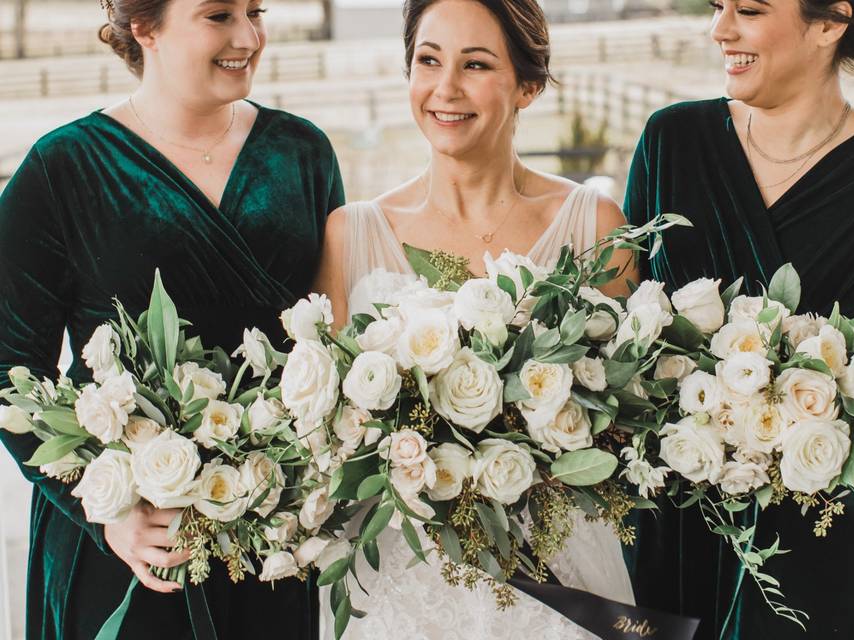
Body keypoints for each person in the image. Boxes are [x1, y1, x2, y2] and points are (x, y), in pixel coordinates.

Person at [0, 0, 344, 636]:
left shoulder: (303, 154)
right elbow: (8, 367)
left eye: (255, 10)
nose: (248, 35)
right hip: (130, 550)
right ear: (144, 26)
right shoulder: (64, 169)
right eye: (218, 15)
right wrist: (100, 506)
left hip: (267, 547)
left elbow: (331, 343)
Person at [622, 0, 854, 638]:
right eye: (719, 7)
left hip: (815, 537)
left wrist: (769, 411)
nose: (720, 29)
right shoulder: (671, 142)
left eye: (748, 10)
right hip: (671, 526)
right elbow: (623, 329)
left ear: (831, 23)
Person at [314, 0, 637, 637]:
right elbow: (328, 439)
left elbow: (625, 430)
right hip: (397, 596)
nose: (446, 89)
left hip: (560, 586)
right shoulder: (349, 235)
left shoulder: (595, 228)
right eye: (428, 61)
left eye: (476, 64)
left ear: (528, 85)